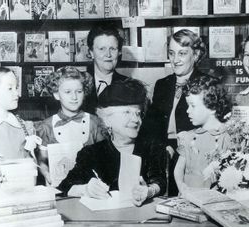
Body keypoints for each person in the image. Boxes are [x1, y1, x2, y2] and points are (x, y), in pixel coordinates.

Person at [58, 79, 167, 206]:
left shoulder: (152, 148)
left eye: (138, 113)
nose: (136, 119)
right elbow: (64, 187)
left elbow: (160, 181)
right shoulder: (91, 153)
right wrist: (85, 189)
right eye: (127, 112)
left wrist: (149, 191)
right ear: (107, 119)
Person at [141, 29, 208, 196]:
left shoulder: (207, 84)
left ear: (196, 54)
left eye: (182, 53)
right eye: (171, 53)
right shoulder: (162, 84)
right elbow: (152, 126)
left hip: (193, 153)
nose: (175, 60)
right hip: (163, 152)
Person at [35, 66, 104, 184]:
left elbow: (104, 158)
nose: (74, 97)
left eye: (79, 91)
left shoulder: (95, 123)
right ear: (56, 94)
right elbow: (42, 160)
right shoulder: (46, 127)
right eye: (68, 92)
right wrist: (46, 173)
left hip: (91, 187)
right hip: (58, 188)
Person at [174, 76, 232, 195]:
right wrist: (181, 186)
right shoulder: (188, 137)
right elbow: (178, 169)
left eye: (193, 106)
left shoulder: (225, 138)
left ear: (212, 108)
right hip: (187, 197)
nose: (187, 111)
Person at [84, 24, 128, 114]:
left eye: (112, 49)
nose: (108, 54)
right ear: (91, 52)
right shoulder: (78, 82)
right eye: (101, 49)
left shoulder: (128, 85)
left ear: (119, 52)